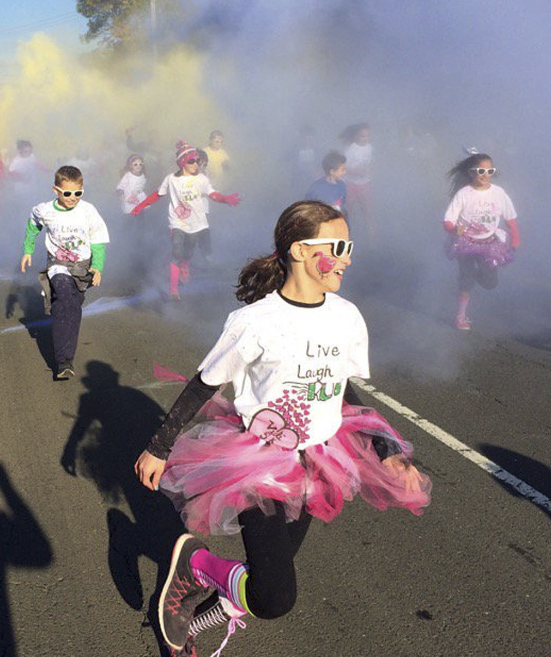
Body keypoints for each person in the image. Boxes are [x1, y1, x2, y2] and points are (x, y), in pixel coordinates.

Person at [134, 200, 431, 656]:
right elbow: (203, 383)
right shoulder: (254, 322)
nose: (348, 258)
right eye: (338, 246)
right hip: (257, 462)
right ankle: (196, 562)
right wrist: (160, 445)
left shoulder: (346, 316)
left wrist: (388, 447)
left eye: (350, 246)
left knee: (269, 575)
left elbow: (340, 390)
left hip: (320, 461)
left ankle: (193, 620)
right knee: (275, 597)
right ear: (298, 251)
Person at [19, 166, 110, 381]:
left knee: (73, 305)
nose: (72, 198)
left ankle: (59, 311)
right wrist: (28, 250)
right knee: (66, 303)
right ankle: (64, 361)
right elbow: (33, 226)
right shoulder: (44, 210)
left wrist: (97, 267)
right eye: (67, 193)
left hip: (82, 266)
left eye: (78, 193)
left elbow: (98, 241)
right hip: (57, 265)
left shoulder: (88, 211)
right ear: (56, 190)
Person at [131, 140, 241, 301]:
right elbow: (157, 194)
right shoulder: (171, 179)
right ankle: (174, 290)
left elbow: (212, 194)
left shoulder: (202, 179)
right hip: (177, 223)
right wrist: (140, 206)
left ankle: (185, 265)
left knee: (188, 253)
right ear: (183, 163)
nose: (195, 163)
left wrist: (225, 199)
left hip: (198, 224)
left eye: (197, 160)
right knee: (177, 253)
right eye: (191, 161)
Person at [442, 150, 520, 331]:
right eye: (481, 171)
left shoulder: (499, 193)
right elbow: (448, 219)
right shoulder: (464, 194)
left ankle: (472, 277)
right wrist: (453, 228)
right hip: (465, 243)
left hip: (489, 244)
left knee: (491, 283)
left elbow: (510, 217)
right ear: (471, 173)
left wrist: (515, 238)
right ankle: (460, 316)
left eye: (489, 172)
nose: (485, 175)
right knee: (466, 278)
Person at [339, 122, 374, 242]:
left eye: (367, 136)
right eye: (362, 136)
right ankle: (347, 238)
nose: (365, 139)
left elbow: (370, 163)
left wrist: (369, 170)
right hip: (350, 184)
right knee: (349, 213)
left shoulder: (370, 147)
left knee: (368, 212)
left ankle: (372, 241)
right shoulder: (350, 149)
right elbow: (344, 167)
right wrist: (356, 171)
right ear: (355, 136)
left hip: (364, 184)